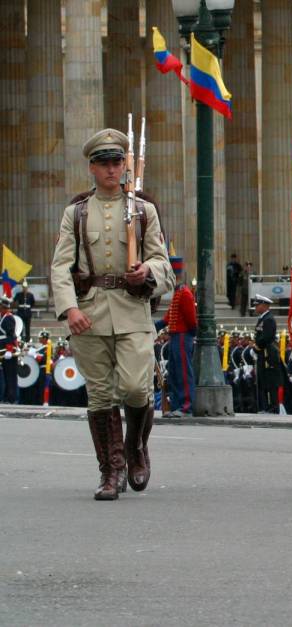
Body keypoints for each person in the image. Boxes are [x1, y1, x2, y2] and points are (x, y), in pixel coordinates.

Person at [49, 128, 174, 499]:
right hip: (89, 312)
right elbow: (60, 267)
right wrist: (69, 308)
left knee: (137, 389)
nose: (111, 169)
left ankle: (136, 447)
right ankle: (111, 470)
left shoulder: (142, 210)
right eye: (103, 163)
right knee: (101, 397)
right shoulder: (76, 213)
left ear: (125, 165)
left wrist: (147, 272)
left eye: (117, 161)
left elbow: (163, 264)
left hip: (132, 311)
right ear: (91, 167)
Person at [163, 258, 197, 416]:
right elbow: (168, 317)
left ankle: (186, 407)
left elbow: (191, 320)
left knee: (184, 372)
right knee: (174, 372)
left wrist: (191, 334)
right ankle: (176, 405)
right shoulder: (178, 293)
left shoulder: (185, 293)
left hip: (183, 337)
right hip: (175, 336)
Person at [251, 295, 282, 414]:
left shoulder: (268, 319)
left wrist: (256, 347)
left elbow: (266, 337)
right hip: (262, 354)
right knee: (263, 380)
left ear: (264, 306)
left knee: (269, 381)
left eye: (257, 305)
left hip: (267, 354)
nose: (255, 307)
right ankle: (266, 407)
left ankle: (272, 408)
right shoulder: (263, 318)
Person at [0, 295, 17, 403]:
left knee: (10, 375)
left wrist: (10, 350)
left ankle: (11, 398)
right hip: (2, 349)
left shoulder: (9, 317)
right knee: (5, 375)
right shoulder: (2, 317)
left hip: (8, 350)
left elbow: (11, 336)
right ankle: (5, 396)